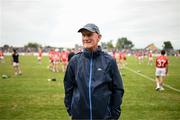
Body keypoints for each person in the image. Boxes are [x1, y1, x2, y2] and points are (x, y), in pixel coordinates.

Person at [64, 23, 124, 119]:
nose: (86, 38)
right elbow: (68, 88)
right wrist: (71, 109)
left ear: (99, 37)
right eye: (83, 35)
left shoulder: (109, 61)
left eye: (89, 34)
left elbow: (118, 89)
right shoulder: (75, 61)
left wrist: (114, 115)